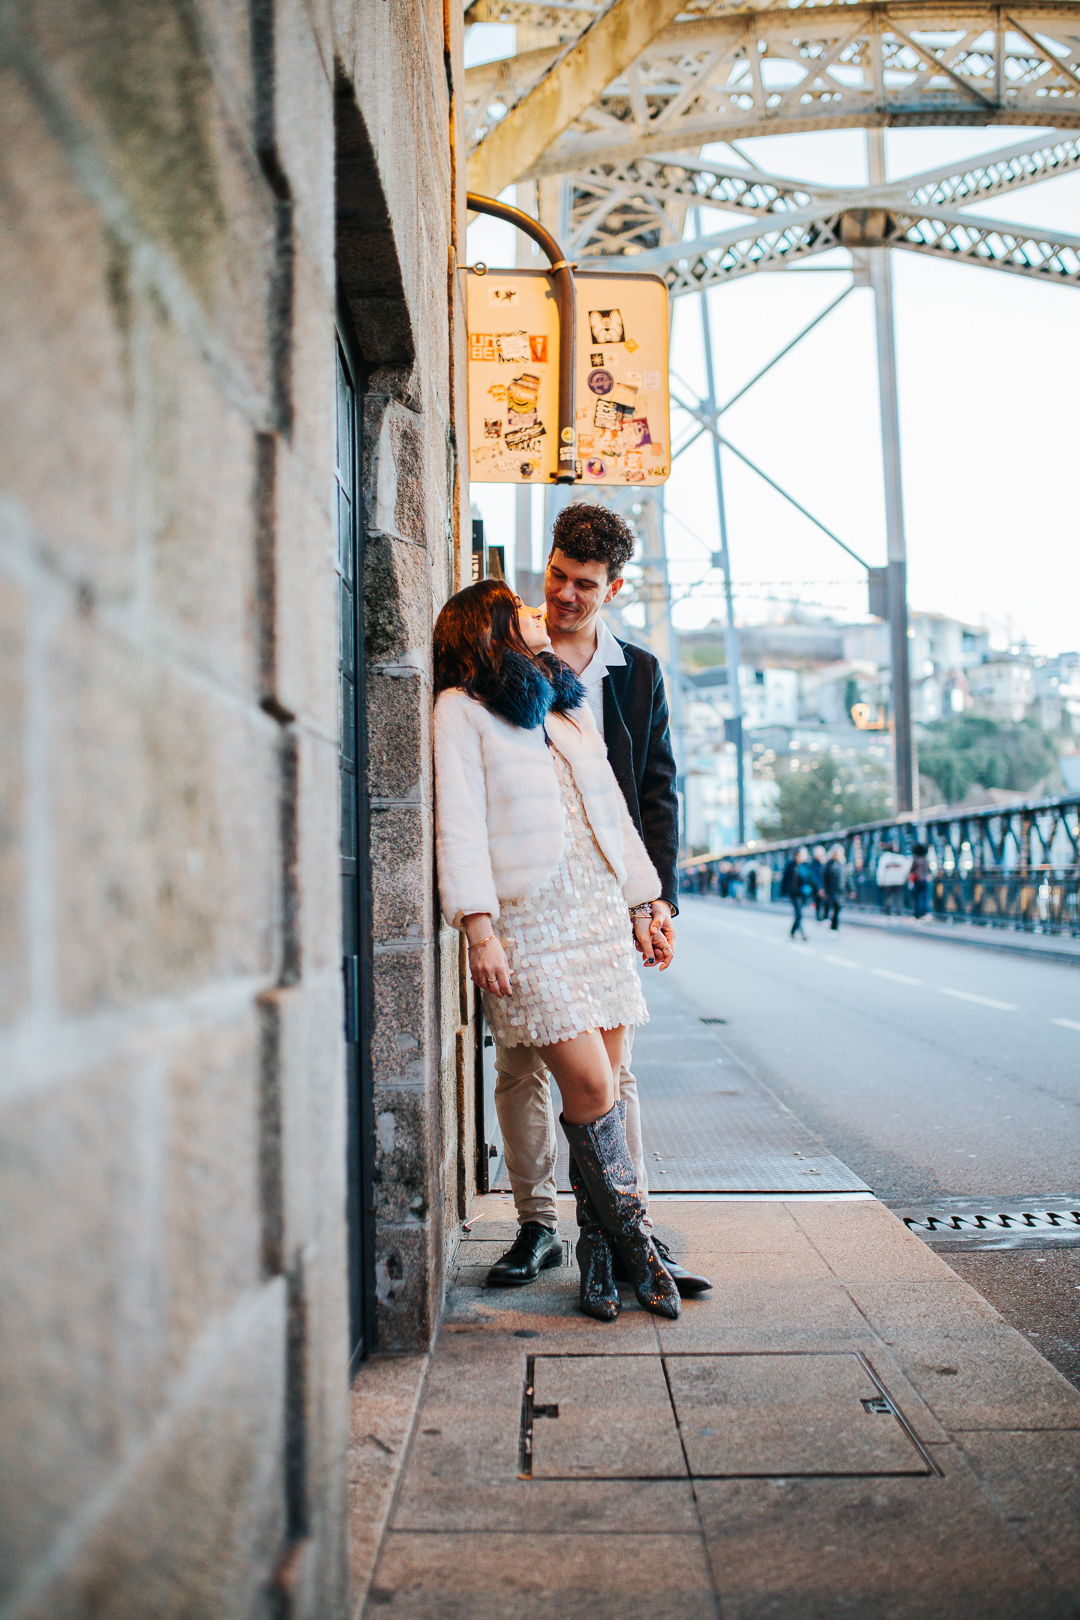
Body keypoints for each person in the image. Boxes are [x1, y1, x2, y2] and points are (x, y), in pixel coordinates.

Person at [433, 578, 681, 1322]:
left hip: (596, 913)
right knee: (593, 1092)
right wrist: (478, 926)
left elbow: (613, 814)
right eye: (521, 611)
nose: (539, 615)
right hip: (532, 920)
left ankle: (599, 1261)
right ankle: (637, 1249)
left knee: (601, 1090)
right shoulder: (461, 710)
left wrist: (646, 902)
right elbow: (460, 824)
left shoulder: (561, 707)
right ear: (489, 629)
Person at [485, 503, 709, 1299]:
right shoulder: (505, 648)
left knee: (613, 1074)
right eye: (556, 576)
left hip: (606, 891)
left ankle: (621, 1231)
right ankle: (537, 1225)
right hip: (525, 893)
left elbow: (657, 790)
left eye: (584, 585)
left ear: (614, 587)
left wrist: (659, 903)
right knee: (520, 1065)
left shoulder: (638, 673)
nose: (564, 596)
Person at [780, 846, 815, 940]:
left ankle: (792, 931)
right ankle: (803, 934)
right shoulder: (791, 865)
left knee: (798, 914)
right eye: (804, 854)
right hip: (794, 893)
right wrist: (783, 892)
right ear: (797, 854)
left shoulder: (806, 865)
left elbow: (811, 879)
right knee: (799, 914)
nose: (805, 856)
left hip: (803, 893)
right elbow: (785, 879)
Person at [876, 844, 912, 916]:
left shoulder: (884, 858)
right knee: (899, 898)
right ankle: (899, 913)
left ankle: (888, 913)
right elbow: (906, 869)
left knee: (888, 897)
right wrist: (905, 878)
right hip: (899, 881)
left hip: (888, 881)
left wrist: (880, 881)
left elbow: (881, 870)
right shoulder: (901, 858)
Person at [823, 844, 845, 930]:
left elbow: (846, 877)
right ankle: (831, 924)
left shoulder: (842, 864)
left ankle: (834, 926)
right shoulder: (829, 864)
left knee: (838, 909)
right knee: (834, 906)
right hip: (831, 890)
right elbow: (825, 878)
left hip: (840, 890)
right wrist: (825, 890)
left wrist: (851, 889)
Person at [910, 843, 931, 920]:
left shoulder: (915, 859)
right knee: (924, 898)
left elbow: (911, 870)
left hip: (917, 880)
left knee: (916, 898)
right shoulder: (925, 859)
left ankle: (917, 915)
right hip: (924, 880)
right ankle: (925, 914)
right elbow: (929, 870)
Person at [809, 845, 828, 922]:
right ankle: (818, 917)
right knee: (818, 901)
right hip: (817, 887)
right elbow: (813, 876)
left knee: (826, 901)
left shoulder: (826, 863)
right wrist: (819, 887)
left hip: (825, 886)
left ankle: (825, 917)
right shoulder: (813, 864)